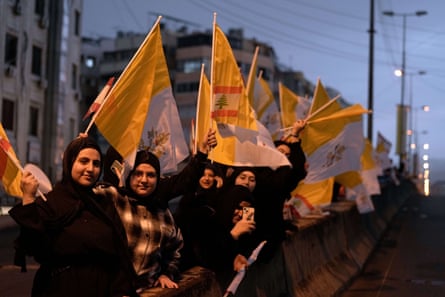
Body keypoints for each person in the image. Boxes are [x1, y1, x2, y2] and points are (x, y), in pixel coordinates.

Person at [9, 136, 137, 297]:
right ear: (70, 162)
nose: (90, 169)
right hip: (61, 289)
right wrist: (28, 199)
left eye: (96, 164)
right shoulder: (51, 203)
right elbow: (34, 247)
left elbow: (119, 253)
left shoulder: (103, 204)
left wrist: (122, 290)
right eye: (83, 161)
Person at [98, 129, 217, 292]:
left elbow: (175, 251)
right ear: (129, 175)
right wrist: (83, 147)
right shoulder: (115, 200)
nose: (144, 180)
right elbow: (85, 189)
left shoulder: (163, 214)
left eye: (151, 175)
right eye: (138, 174)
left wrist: (166, 273)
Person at [174, 162, 224, 270]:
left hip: (209, 256)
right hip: (188, 255)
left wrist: (220, 191)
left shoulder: (218, 198)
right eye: (203, 175)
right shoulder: (189, 197)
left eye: (210, 175)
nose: (206, 179)